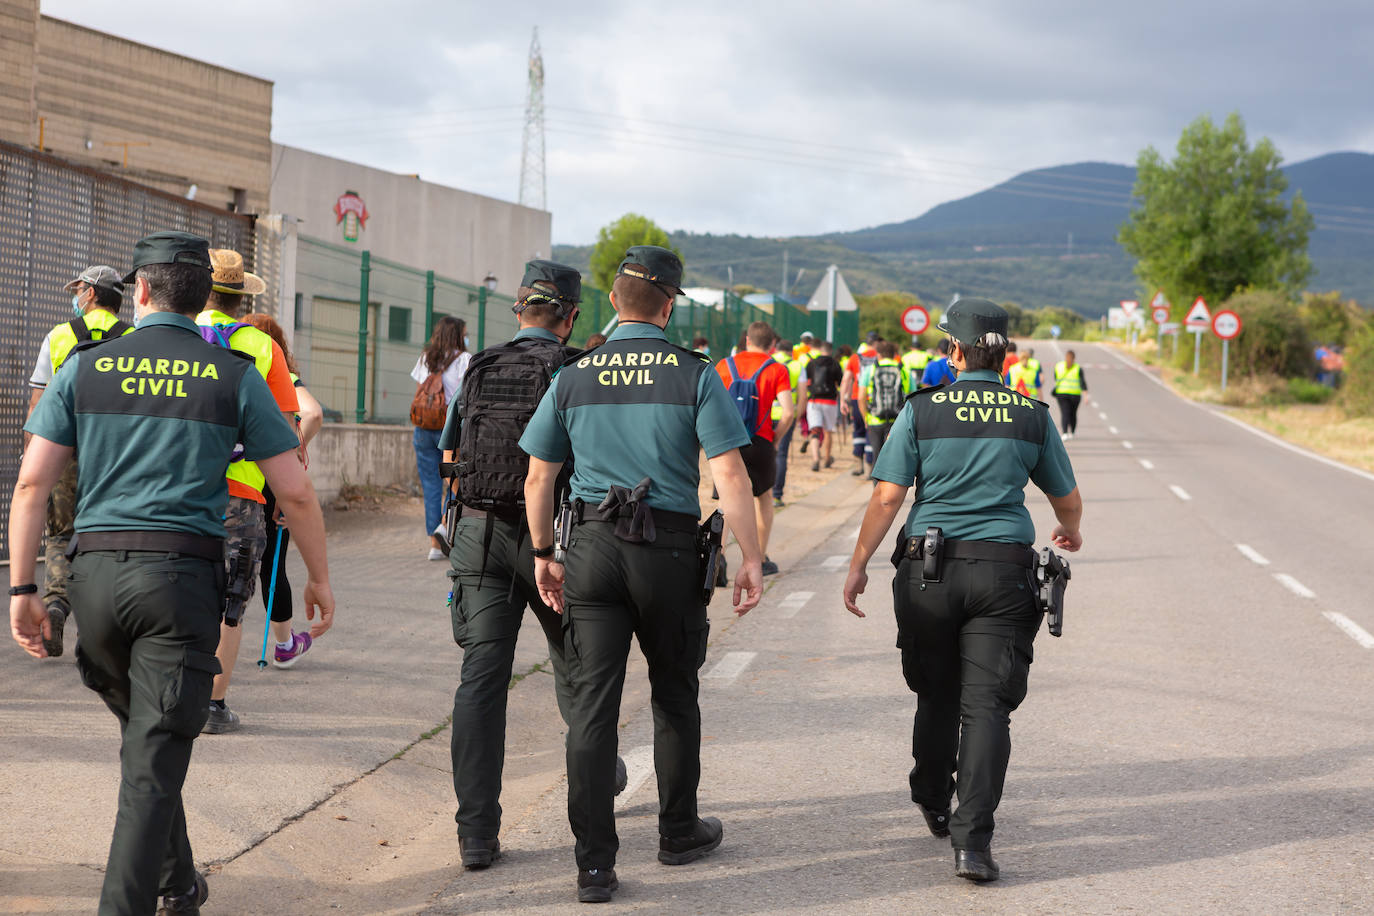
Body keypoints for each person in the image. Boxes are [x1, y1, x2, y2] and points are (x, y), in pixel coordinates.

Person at [10, 230, 335, 915]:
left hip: (95, 585)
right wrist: (317, 579)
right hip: (178, 583)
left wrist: (23, 588)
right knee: (151, 765)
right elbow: (297, 491)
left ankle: (179, 884)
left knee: (147, 750)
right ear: (201, 298)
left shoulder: (87, 367)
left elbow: (32, 486)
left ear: (143, 291)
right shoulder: (235, 375)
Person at [519, 246, 764, 904]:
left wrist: (545, 553)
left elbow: (538, 475)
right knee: (675, 695)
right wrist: (751, 556)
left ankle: (594, 864)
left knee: (592, 710)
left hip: (592, 549)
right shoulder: (692, 374)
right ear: (668, 304)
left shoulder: (575, 375)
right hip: (669, 551)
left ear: (615, 302)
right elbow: (730, 474)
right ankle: (677, 831)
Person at [841, 297, 1082, 884]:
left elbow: (887, 498)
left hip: (928, 570)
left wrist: (858, 564)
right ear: (1007, 356)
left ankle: (931, 795)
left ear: (953, 351)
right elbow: (1066, 499)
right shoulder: (1030, 414)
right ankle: (973, 844)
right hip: (1003, 573)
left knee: (935, 691)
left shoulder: (922, 410)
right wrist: (1068, 532)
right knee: (987, 707)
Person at [439, 259, 628, 871]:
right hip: (556, 538)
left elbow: (451, 449)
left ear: (518, 309)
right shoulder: (575, 371)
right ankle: (600, 777)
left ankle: (475, 835)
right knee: (577, 672)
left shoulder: (478, 366)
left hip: (477, 532)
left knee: (481, 680)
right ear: (571, 317)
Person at [197, 249, 301, 733]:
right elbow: (285, 431)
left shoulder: (167, 335)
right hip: (241, 493)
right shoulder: (263, 348)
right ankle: (212, 707)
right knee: (229, 602)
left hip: (168, 487)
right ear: (243, 299)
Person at [24, 265, 134, 656]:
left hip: (63, 453)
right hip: (116, 456)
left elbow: (40, 404)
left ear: (89, 293)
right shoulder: (136, 339)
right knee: (111, 536)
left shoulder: (59, 336)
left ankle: (56, 604)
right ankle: (107, 626)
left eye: (77, 290)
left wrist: (30, 453)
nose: (74, 296)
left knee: (60, 533)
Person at [245, 312, 325, 668]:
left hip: (231, 477)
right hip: (270, 480)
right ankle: (284, 644)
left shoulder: (228, 362)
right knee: (272, 563)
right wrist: (290, 453)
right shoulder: (279, 372)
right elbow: (313, 413)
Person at [716, 321, 793, 576]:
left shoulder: (724, 365)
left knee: (727, 500)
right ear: (772, 345)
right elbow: (788, 412)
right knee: (764, 498)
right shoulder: (776, 369)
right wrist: (775, 438)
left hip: (728, 442)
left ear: (746, 339)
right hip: (760, 440)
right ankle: (759, 559)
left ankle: (719, 560)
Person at [411, 316, 471, 559]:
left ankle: (434, 545)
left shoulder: (426, 357)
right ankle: (445, 529)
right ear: (458, 335)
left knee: (430, 486)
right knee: (455, 481)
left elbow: (418, 391)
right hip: (452, 429)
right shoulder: (464, 360)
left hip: (424, 429)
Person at [858, 339, 910, 469]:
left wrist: (865, 417)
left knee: (877, 455)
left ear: (878, 354)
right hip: (898, 421)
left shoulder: (870, 370)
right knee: (894, 457)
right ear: (894, 354)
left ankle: (877, 486)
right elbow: (912, 397)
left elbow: (861, 397)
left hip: (875, 419)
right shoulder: (904, 370)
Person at [770, 339, 806, 507]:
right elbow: (803, 396)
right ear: (792, 351)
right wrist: (797, 417)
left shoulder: (768, 361)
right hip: (786, 414)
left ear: (776, 349)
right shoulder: (798, 366)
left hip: (766, 415)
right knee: (781, 454)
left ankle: (761, 493)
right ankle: (776, 496)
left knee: (763, 452)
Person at [802, 340, 843, 472]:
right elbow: (840, 382)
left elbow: (807, 381)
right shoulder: (835, 364)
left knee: (815, 430)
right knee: (828, 431)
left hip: (814, 401)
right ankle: (826, 458)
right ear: (831, 350)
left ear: (820, 349)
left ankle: (815, 459)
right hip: (830, 402)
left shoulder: (812, 363)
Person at [1052, 350, 1087, 439]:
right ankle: (1072, 432)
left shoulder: (1058, 366)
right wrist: (1086, 395)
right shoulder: (1078, 368)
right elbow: (1082, 383)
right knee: (1073, 413)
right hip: (1075, 394)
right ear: (1074, 358)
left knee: (1065, 413)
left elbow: (1055, 378)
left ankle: (1064, 433)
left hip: (1062, 393)